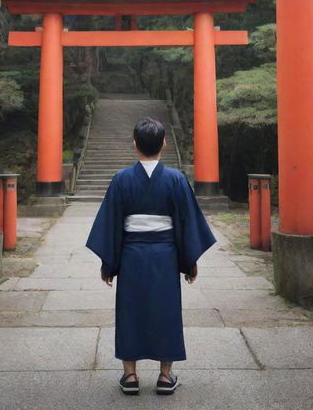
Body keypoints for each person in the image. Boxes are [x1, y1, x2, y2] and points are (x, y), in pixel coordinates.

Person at [85, 117, 216, 396]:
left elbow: (111, 225)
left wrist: (108, 263)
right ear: (164, 144)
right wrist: (189, 261)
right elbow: (186, 224)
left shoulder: (121, 179)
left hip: (132, 255)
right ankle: (165, 377)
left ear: (134, 144)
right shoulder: (176, 180)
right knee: (166, 311)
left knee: (129, 310)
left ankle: (130, 376)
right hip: (165, 256)